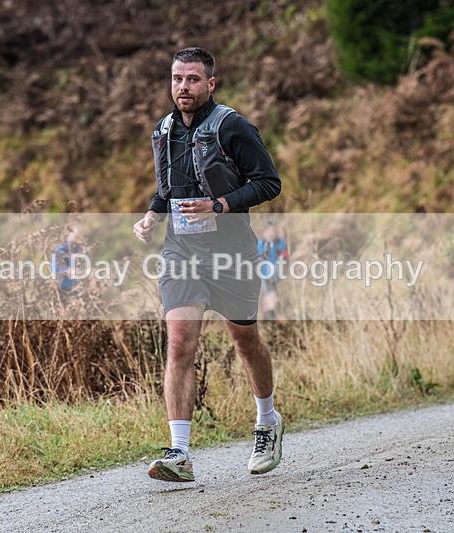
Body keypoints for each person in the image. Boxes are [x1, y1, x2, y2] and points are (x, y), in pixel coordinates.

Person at [133, 47, 283, 482]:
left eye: (193, 79)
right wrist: (151, 216)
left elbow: (268, 182)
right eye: (177, 78)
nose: (183, 87)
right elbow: (167, 189)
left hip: (232, 253)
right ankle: (179, 452)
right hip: (181, 253)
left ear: (210, 83)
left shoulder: (233, 127)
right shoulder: (164, 130)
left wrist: (219, 205)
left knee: (245, 340)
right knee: (180, 342)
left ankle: (267, 421)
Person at [257, 221, 288, 319]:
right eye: (269, 231)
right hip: (264, 275)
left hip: (276, 274)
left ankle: (267, 319)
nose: (272, 233)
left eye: (274, 231)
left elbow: (285, 256)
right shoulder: (260, 243)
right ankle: (269, 320)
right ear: (265, 232)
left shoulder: (279, 242)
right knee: (272, 297)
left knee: (271, 298)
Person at [52, 225, 84, 294]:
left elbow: (85, 269)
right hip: (61, 288)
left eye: (77, 239)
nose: (74, 242)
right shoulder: (60, 250)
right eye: (72, 238)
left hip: (76, 289)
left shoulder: (82, 251)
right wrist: (65, 272)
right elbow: (54, 268)